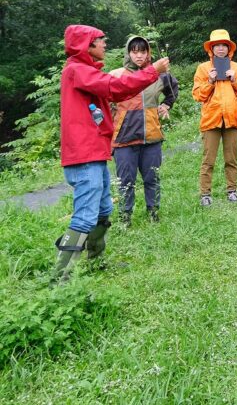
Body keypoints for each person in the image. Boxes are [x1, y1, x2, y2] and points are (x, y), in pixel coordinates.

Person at [54, 25, 170, 281]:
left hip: (93, 152)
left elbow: (121, 89)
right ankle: (60, 278)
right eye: (101, 41)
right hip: (84, 155)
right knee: (85, 215)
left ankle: (96, 263)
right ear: (87, 45)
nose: (105, 45)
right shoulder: (77, 70)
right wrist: (153, 71)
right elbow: (116, 88)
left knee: (103, 208)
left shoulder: (84, 71)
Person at [110, 36, 179, 226]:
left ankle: (153, 213)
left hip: (152, 137)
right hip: (124, 138)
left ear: (148, 53)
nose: (139, 56)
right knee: (126, 181)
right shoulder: (117, 75)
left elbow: (173, 88)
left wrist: (166, 104)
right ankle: (125, 218)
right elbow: (103, 102)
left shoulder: (159, 74)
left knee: (152, 177)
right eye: (134, 51)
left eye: (143, 51)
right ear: (128, 53)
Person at [192, 29, 237, 206]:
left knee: (231, 159)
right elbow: (197, 95)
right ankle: (205, 194)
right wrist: (209, 82)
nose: (220, 49)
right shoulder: (203, 68)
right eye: (216, 45)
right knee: (208, 159)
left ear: (228, 48)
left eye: (223, 45)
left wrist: (235, 81)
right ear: (211, 48)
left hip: (232, 119)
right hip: (211, 120)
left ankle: (232, 190)